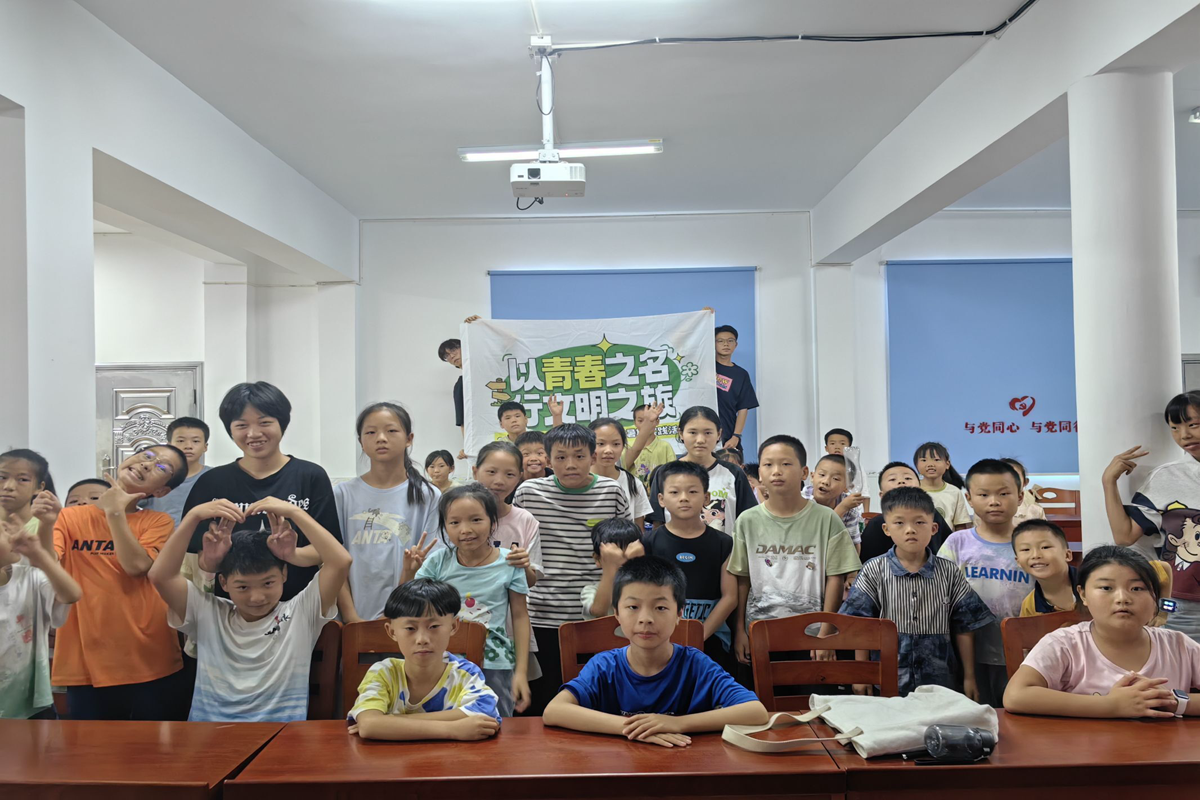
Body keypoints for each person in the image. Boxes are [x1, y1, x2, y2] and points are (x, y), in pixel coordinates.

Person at [150, 493, 351, 722]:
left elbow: (341, 561)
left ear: (284, 574)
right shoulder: (207, 613)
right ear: (224, 583)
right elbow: (160, 576)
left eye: (268, 583)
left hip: (281, 735)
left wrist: (294, 514)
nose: (257, 597)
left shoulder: (300, 613)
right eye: (243, 587)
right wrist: (193, 517)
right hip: (208, 735)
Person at [544, 555, 767, 746]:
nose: (646, 619)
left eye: (660, 607)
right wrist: (636, 728)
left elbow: (755, 711)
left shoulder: (696, 665)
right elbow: (554, 711)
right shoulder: (604, 666)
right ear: (617, 613)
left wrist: (677, 723)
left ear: (679, 613)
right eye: (633, 607)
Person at [52, 445, 192, 720]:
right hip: (85, 658)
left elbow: (136, 566)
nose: (148, 464)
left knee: (148, 742)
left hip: (148, 656)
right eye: (147, 455)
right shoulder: (69, 517)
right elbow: (48, 562)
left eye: (162, 467)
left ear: (161, 491)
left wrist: (115, 512)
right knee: (89, 743)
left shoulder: (159, 522)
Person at [184, 382, 342, 603]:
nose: (253, 433)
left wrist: (292, 554)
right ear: (230, 430)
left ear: (282, 424)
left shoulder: (310, 476)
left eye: (264, 422)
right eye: (241, 425)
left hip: (301, 606)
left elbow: (327, 549)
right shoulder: (211, 482)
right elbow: (204, 560)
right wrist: (213, 559)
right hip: (234, 608)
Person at [513, 423, 631, 715]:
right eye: (561, 457)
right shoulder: (528, 493)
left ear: (593, 457)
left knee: (596, 702)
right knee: (542, 704)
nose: (570, 464)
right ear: (548, 459)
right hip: (541, 614)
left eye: (579, 456)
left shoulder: (611, 491)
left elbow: (627, 548)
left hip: (596, 616)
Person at [1004, 546, 1200, 719]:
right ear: (1083, 594)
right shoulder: (1064, 644)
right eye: (1106, 588)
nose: (1122, 598)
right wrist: (1112, 705)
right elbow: (1015, 695)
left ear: (1155, 597)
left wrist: (1173, 701)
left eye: (1137, 588)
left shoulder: (1178, 645)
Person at [840, 487, 993, 698]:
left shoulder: (949, 572)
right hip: (887, 681)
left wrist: (969, 677)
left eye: (919, 522)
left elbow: (965, 627)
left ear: (934, 528)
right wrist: (861, 674)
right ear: (886, 529)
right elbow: (860, 625)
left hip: (941, 684)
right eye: (899, 523)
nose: (910, 530)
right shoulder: (873, 570)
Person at [729, 435, 861, 665]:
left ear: (804, 472)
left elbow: (835, 578)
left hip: (812, 636)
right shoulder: (747, 521)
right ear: (760, 473)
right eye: (768, 464)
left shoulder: (826, 519)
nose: (776, 471)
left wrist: (826, 632)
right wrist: (740, 631)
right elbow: (742, 579)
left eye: (786, 463)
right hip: (760, 634)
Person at [402, 485, 530, 716]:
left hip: (494, 663)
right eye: (454, 522)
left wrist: (521, 671)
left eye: (476, 520)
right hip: (442, 662)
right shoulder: (438, 562)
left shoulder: (510, 562)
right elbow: (407, 607)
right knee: (442, 725)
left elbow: (520, 617)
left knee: (494, 724)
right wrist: (409, 572)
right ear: (445, 526)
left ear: (492, 521)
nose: (466, 530)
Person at [347, 579, 501, 740]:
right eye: (410, 628)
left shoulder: (465, 673)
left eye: (434, 626)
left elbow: (485, 716)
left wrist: (388, 722)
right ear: (392, 632)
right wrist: (452, 729)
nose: (422, 639)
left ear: (454, 626)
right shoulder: (383, 673)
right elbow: (369, 725)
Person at [1104, 391, 1200, 639]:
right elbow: (1124, 536)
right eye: (1174, 428)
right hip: (1181, 604)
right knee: (1180, 662)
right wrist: (1108, 482)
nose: (1184, 435)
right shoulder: (1167, 477)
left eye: (1193, 425)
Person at [335, 402, 440, 623]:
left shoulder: (428, 495)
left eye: (391, 430)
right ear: (361, 442)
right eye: (371, 432)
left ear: (409, 438)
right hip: (351, 619)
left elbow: (431, 564)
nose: (381, 438)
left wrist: (396, 612)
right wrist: (351, 618)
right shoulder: (342, 494)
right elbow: (332, 561)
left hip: (410, 618)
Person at [937, 458, 1028, 707]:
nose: (994, 501)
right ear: (969, 498)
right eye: (984, 494)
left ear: (1020, 496)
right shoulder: (957, 543)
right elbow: (941, 594)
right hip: (970, 656)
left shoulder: (1032, 542)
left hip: (1025, 657)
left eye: (1004, 493)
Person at [644, 460, 737, 672]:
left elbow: (730, 597)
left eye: (692, 491)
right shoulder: (650, 542)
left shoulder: (724, 543)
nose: (684, 498)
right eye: (674, 492)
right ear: (661, 499)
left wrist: (698, 635)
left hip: (711, 638)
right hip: (662, 640)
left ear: (706, 498)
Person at [1014, 519, 1174, 625]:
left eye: (1045, 547)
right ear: (1018, 561)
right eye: (1026, 549)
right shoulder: (1030, 606)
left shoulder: (1100, 576)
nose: (1036, 555)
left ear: (1067, 555)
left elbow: (1164, 569)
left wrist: (1164, 613)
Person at [0, 517, 82, 719]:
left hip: (31, 704)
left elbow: (71, 594)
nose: (12, 537)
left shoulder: (28, 577)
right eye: (3, 532)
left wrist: (40, 556)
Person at [474, 441, 542, 682]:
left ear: (520, 477)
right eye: (491, 472)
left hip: (510, 627)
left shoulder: (525, 520)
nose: (499, 481)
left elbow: (531, 581)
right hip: (464, 623)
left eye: (509, 474)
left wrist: (524, 565)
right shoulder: (458, 515)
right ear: (475, 471)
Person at [647, 406, 757, 534]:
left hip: (726, 547)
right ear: (681, 433)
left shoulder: (734, 473)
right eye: (693, 432)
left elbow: (748, 520)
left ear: (719, 434)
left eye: (708, 433)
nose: (700, 440)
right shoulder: (665, 473)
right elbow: (658, 524)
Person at [859, 462, 952, 562]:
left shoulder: (933, 515)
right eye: (892, 479)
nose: (901, 482)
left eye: (907, 478)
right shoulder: (876, 524)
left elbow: (949, 548)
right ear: (882, 495)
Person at [142, 417, 211, 523]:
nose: (188, 446)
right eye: (181, 441)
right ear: (169, 446)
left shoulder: (214, 476)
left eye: (196, 441)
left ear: (205, 447)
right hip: (159, 533)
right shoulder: (154, 476)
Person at [590, 418, 652, 529]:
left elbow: (639, 529)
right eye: (600, 443)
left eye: (616, 444)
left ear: (623, 446)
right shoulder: (577, 482)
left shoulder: (633, 484)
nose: (608, 450)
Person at [582, 518, 645, 620]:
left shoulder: (649, 585)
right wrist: (610, 568)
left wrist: (639, 564)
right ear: (597, 559)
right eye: (614, 557)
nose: (622, 563)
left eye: (627, 557)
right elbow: (599, 611)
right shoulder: (591, 590)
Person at [802, 454, 866, 551]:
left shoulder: (849, 506)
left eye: (835, 478)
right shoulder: (800, 501)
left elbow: (853, 544)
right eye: (822, 475)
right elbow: (814, 538)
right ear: (812, 476)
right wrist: (842, 508)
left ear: (847, 487)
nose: (826, 481)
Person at [0, 449, 57, 552]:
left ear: (39, 487)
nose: (8, 486)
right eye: (2, 477)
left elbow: (50, 560)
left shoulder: (47, 526)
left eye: (22, 479)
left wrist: (47, 525)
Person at [714, 325, 758, 454]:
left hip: (728, 436)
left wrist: (736, 436)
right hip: (705, 433)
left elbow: (743, 408)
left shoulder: (741, 374)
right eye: (720, 341)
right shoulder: (704, 368)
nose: (726, 344)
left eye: (730, 340)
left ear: (736, 345)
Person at [915, 442, 972, 531]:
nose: (930, 464)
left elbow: (960, 525)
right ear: (916, 465)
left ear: (947, 464)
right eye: (924, 460)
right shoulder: (912, 490)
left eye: (936, 460)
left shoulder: (954, 492)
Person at [624, 403, 676, 491]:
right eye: (641, 421)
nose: (645, 425)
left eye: (650, 420)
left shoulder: (665, 446)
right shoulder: (628, 447)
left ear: (657, 421)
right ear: (634, 423)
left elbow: (674, 475)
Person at [1001, 458, 1047, 526]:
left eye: (1015, 477)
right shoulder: (985, 509)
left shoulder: (1035, 511)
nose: (1008, 481)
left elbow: (1044, 531)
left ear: (1025, 482)